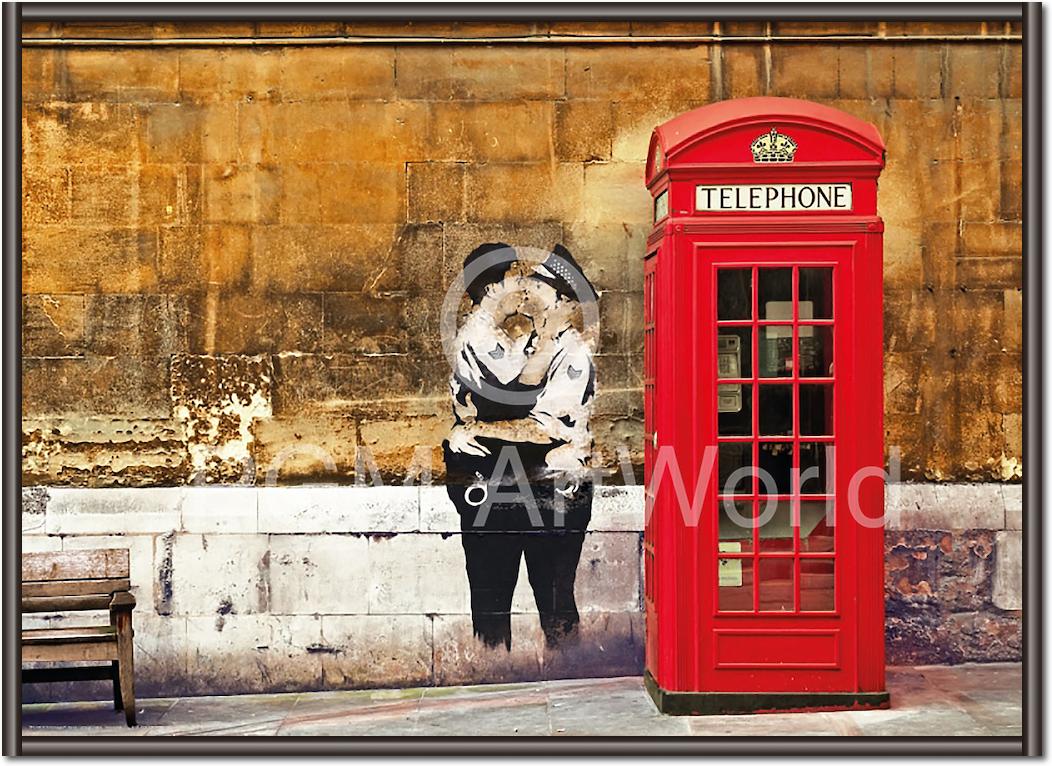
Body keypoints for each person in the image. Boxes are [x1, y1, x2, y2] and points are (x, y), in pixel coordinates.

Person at [443, 243, 598, 650]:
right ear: (491, 287)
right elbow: (507, 399)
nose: (526, 288)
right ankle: (495, 673)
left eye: (537, 285)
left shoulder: (572, 355)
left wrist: (472, 430)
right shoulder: (496, 340)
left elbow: (539, 430)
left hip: (559, 488)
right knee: (495, 593)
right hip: (510, 483)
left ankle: (569, 672)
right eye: (519, 278)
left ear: (562, 301)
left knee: (554, 601)